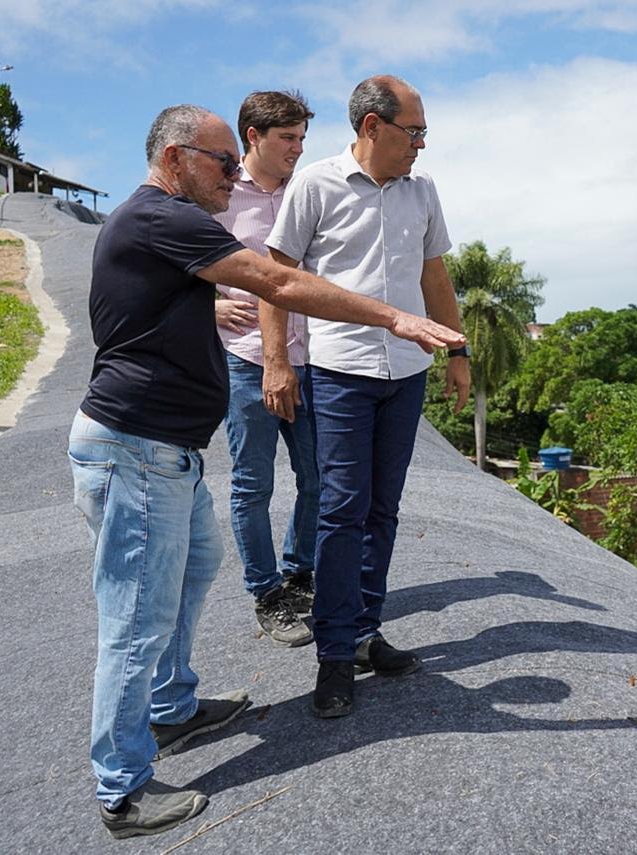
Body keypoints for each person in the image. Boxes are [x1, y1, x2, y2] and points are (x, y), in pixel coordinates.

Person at [69, 103, 463, 839]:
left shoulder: (159, 225)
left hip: (165, 450)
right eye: (223, 161)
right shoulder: (164, 215)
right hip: (135, 448)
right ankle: (122, 788)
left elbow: (158, 302)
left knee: (191, 574)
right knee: (135, 618)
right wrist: (391, 317)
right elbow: (276, 282)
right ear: (177, 158)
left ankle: (173, 708)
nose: (234, 176)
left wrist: (206, 306)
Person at [266, 75, 470, 720]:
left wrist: (458, 354)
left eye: (424, 134)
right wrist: (277, 360)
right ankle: (333, 654)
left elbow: (433, 272)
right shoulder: (316, 184)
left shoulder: (424, 191)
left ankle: (364, 632)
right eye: (413, 132)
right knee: (341, 508)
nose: (421, 145)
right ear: (372, 126)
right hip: (340, 370)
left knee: (384, 508)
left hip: (405, 371)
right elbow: (275, 276)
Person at [213, 91, 318, 647]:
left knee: (320, 477)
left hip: (309, 358)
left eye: (302, 139)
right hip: (246, 361)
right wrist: (207, 305)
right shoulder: (222, 196)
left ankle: (301, 576)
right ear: (253, 137)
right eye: (288, 139)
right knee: (253, 484)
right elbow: (170, 259)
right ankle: (267, 592)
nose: (298, 150)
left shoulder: (308, 191)